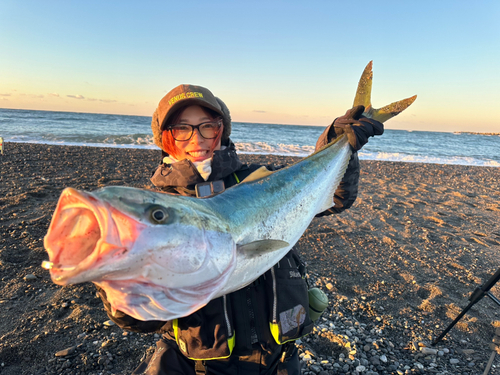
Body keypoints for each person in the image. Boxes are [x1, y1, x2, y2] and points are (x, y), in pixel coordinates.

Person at [97, 84, 383, 375]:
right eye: (182, 128)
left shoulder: (260, 180)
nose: (197, 138)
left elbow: (332, 198)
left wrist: (336, 145)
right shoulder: (155, 212)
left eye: (207, 126)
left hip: (278, 360)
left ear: (222, 129)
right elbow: (140, 321)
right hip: (199, 365)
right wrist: (118, 287)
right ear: (166, 137)